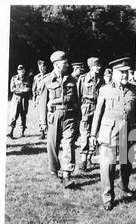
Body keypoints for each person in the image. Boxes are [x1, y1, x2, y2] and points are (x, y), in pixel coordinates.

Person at [89, 57, 136, 211]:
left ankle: (124, 185)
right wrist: (93, 134)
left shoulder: (134, 89)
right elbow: (97, 114)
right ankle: (107, 197)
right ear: (114, 73)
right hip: (109, 131)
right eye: (121, 72)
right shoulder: (105, 89)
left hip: (129, 130)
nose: (125, 75)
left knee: (127, 163)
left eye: (127, 72)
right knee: (108, 165)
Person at [38, 51, 80, 188]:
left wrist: (78, 117)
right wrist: (43, 122)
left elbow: (77, 100)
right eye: (64, 63)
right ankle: (54, 170)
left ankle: (67, 174)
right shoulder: (46, 81)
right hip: (54, 115)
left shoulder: (72, 80)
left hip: (70, 116)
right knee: (53, 144)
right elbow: (42, 103)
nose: (67, 65)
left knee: (69, 144)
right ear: (56, 65)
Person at [77, 57, 103, 172]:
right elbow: (77, 96)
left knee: (95, 134)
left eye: (99, 65)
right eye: (97, 66)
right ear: (91, 67)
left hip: (97, 108)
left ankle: (89, 158)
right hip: (86, 108)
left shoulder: (101, 80)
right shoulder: (83, 79)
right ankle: (83, 160)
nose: (99, 67)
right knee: (84, 134)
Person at [7, 64, 31, 139]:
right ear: (18, 71)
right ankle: (11, 132)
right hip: (16, 99)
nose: (21, 72)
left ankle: (22, 131)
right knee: (14, 115)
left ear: (24, 71)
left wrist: (20, 90)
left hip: (24, 99)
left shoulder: (27, 78)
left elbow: (28, 89)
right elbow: (12, 89)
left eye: (22, 71)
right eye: (20, 71)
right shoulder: (14, 78)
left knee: (23, 115)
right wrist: (22, 90)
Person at [32, 60, 49, 140]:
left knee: (48, 113)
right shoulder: (36, 77)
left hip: (47, 98)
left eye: (43, 67)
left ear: (45, 67)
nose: (41, 68)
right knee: (40, 115)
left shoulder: (49, 76)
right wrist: (34, 100)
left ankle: (48, 131)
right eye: (40, 67)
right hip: (39, 98)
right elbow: (34, 90)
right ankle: (42, 132)